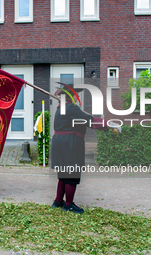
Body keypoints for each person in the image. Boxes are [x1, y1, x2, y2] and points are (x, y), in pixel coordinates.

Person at [51, 83, 120, 213]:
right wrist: (108, 124)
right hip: (70, 143)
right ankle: (68, 205)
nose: (77, 98)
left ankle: (58, 201)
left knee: (64, 174)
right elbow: (88, 120)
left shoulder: (61, 108)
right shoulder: (70, 108)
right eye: (76, 95)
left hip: (61, 143)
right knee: (71, 174)